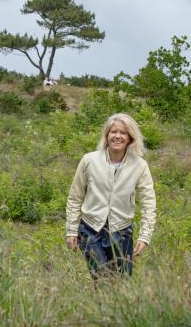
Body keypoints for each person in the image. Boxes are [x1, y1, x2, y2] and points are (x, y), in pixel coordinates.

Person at [65, 113, 157, 279]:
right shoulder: (89, 160)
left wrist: (145, 236)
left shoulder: (140, 166)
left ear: (130, 138)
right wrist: (71, 230)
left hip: (122, 232)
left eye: (123, 133)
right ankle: (99, 304)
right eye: (113, 132)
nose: (117, 136)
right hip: (90, 230)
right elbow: (75, 197)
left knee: (123, 281)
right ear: (106, 136)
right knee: (102, 278)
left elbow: (148, 203)